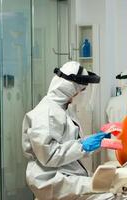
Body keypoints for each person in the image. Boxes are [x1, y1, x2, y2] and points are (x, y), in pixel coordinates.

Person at [22, 61, 113, 200]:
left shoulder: (63, 109)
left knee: (115, 187)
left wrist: (99, 140)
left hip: (67, 175)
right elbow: (50, 155)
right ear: (69, 88)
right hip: (52, 180)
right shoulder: (46, 113)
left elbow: (69, 143)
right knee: (114, 194)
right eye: (81, 91)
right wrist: (83, 146)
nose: (81, 95)